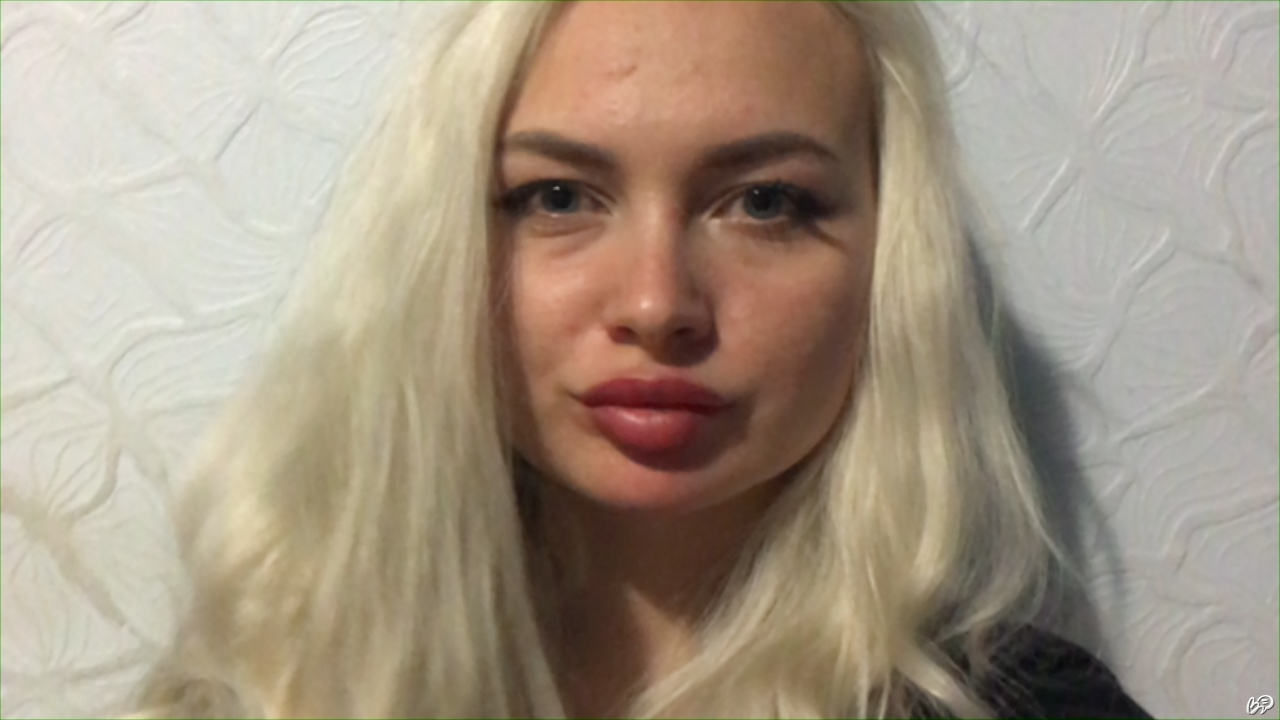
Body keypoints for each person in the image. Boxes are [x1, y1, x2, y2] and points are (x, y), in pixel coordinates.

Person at [131, 2, 1153, 718]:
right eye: (557, 198)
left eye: (765, 202)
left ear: (892, 262)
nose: (658, 305)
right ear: (442, 246)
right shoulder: (268, 686)